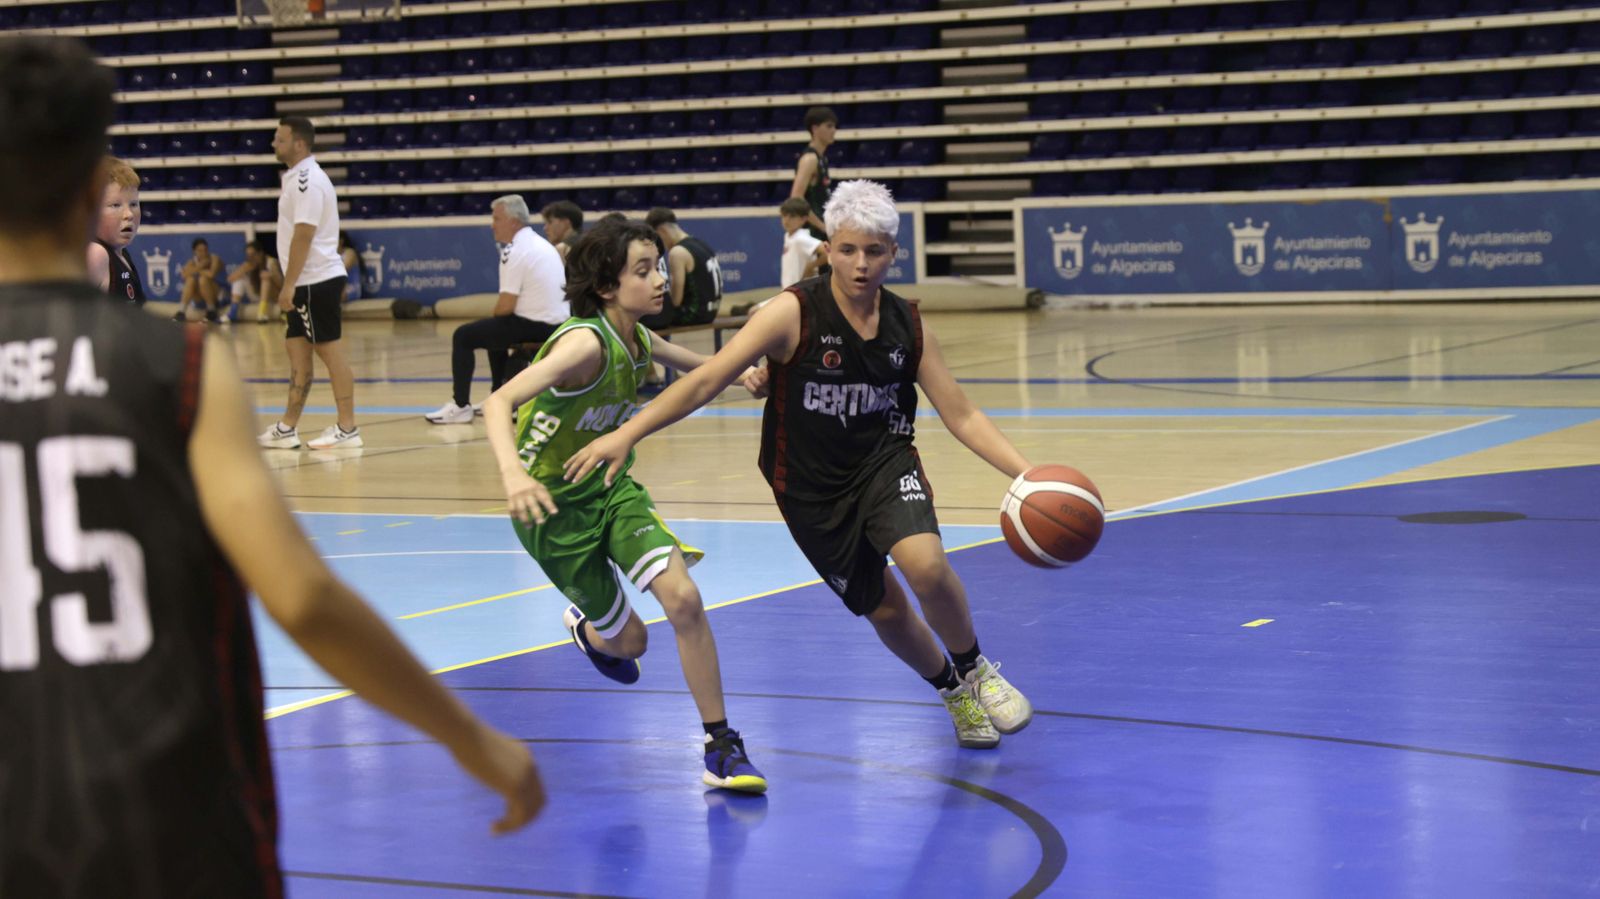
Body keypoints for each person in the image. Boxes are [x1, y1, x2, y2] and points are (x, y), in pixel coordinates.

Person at [0, 35, 543, 897]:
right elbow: (301, 595)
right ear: (85, 184)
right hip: (171, 812)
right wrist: (470, 736)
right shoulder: (179, 365)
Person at [565, 181, 1034, 749]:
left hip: (884, 463)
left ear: (894, 254)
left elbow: (963, 414)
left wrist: (1026, 475)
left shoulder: (908, 325)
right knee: (885, 609)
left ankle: (977, 668)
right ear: (828, 249)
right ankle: (950, 689)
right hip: (808, 490)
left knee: (927, 566)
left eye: (875, 251)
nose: (861, 265)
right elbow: (709, 379)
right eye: (848, 250)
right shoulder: (791, 313)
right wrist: (628, 431)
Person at [481, 217, 768, 792]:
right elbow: (499, 400)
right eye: (644, 270)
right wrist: (513, 474)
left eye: (659, 265)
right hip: (550, 513)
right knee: (632, 645)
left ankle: (720, 744)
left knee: (684, 600)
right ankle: (591, 632)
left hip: (611, 490)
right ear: (607, 287)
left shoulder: (636, 336)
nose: (660, 278)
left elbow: (692, 364)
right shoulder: (584, 342)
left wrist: (744, 376)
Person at [257, 116, 362, 451]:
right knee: (297, 352)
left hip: (315, 280)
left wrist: (288, 285)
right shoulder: (296, 178)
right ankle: (287, 428)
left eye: (280, 138)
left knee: (330, 353)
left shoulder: (307, 180)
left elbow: (304, 234)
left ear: (299, 143)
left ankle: (348, 429)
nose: (274, 143)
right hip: (307, 282)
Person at [425, 195, 567, 425]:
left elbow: (505, 306)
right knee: (494, 332)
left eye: (496, 218)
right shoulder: (539, 243)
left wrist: (493, 321)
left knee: (464, 336)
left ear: (513, 221)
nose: (492, 224)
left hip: (538, 325)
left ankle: (460, 405)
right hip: (558, 322)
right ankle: (499, 397)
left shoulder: (515, 250)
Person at [646, 207, 722, 327]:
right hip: (711, 312)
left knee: (647, 316)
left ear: (661, 231)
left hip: (693, 315)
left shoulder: (677, 252)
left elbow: (676, 300)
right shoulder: (700, 244)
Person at [85, 155, 144, 305]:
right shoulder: (96, 254)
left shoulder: (123, 254)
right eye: (115, 205)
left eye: (134, 204)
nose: (129, 215)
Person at [789, 107, 837, 242]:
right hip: (811, 234)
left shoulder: (823, 159)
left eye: (834, 127)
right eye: (829, 126)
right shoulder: (810, 159)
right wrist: (821, 226)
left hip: (821, 231)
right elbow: (796, 199)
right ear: (815, 129)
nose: (833, 131)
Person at [227, 237, 284, 323]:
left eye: (253, 255)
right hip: (256, 295)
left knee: (266, 278)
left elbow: (282, 285)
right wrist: (243, 270)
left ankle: (261, 313)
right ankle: (233, 311)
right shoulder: (248, 264)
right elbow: (230, 279)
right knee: (240, 280)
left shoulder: (271, 262)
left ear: (260, 254)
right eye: (248, 255)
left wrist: (272, 276)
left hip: (272, 297)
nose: (251, 258)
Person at [779, 196, 826, 287]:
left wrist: (811, 266)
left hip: (803, 290)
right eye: (784, 215)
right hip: (791, 288)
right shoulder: (788, 236)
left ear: (804, 219)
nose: (786, 220)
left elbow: (828, 252)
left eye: (792, 216)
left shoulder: (800, 238)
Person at [174, 237, 224, 322]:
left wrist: (196, 269)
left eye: (205, 249)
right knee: (190, 280)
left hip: (216, 296)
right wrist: (201, 266)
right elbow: (184, 275)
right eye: (200, 250)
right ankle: (181, 311)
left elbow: (211, 274)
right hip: (200, 298)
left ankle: (211, 310)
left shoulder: (214, 258)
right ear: (194, 251)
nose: (203, 252)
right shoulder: (192, 262)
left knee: (203, 279)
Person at [540, 199, 583, 264]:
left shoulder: (562, 249)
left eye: (550, 222)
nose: (545, 228)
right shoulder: (588, 243)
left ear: (566, 223)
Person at [338, 229, 363, 303]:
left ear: (341, 241)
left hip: (352, 288)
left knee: (334, 295)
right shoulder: (329, 255)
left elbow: (342, 271)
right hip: (338, 287)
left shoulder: (349, 253)